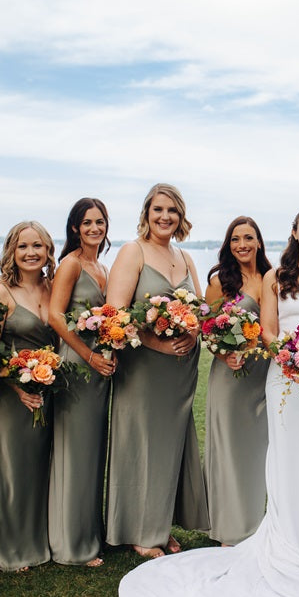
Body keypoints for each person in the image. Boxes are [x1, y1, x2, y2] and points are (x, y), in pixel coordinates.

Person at [119, 206, 299, 597]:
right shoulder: (276, 277)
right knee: (286, 459)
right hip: (285, 379)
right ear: (294, 232)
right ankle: (284, 539)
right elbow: (269, 331)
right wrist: (297, 362)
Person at [105, 183, 208, 559]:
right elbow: (115, 315)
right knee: (142, 445)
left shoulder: (184, 256)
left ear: (181, 217)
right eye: (158, 210)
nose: (165, 217)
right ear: (146, 213)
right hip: (144, 368)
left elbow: (200, 312)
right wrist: (159, 343)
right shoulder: (133, 252)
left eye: (173, 211)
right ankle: (139, 531)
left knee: (169, 448)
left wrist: (192, 333)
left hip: (180, 371)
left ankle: (160, 527)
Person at [0, 221, 58, 571]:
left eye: (37, 246)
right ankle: (7, 548)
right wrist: (18, 386)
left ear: (47, 250)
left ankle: (39, 538)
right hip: (12, 392)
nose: (30, 253)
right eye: (23, 246)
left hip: (49, 387)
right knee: (13, 466)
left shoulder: (52, 287)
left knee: (42, 466)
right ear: (12, 251)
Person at [47, 198, 115, 567]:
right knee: (75, 451)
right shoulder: (71, 264)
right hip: (78, 365)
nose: (94, 228)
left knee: (92, 451)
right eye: (87, 222)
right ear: (75, 227)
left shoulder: (101, 265)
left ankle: (90, 533)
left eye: (100, 222)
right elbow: (55, 316)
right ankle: (71, 544)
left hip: (101, 366)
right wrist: (88, 356)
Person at [203, 216, 272, 546]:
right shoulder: (220, 282)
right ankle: (230, 530)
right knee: (230, 450)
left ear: (259, 241)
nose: (242, 244)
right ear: (228, 245)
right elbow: (208, 329)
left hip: (265, 375)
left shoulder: (273, 279)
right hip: (231, 377)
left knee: (260, 451)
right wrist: (223, 354)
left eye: (248, 237)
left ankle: (259, 524)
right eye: (235, 239)